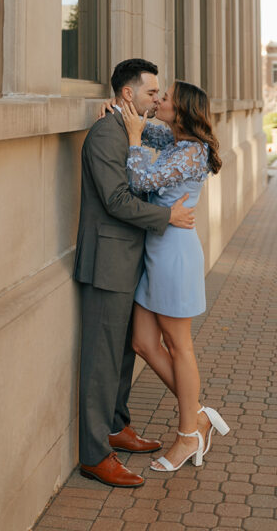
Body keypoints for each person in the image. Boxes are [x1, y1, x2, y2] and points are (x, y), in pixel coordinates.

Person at [74, 59, 196, 489]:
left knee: (125, 353)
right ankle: (94, 454)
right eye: (151, 93)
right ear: (128, 94)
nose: (158, 99)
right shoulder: (105, 134)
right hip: (107, 264)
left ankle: (116, 426)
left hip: (133, 262)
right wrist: (168, 217)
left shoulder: (137, 130)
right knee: (101, 363)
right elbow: (117, 200)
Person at [121, 80, 230, 473]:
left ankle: (188, 435)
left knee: (179, 345)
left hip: (173, 256)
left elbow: (139, 182)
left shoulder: (191, 152)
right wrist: (120, 109)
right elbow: (140, 124)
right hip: (156, 251)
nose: (158, 100)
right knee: (144, 342)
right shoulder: (174, 141)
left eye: (163, 97)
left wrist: (134, 142)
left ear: (180, 111)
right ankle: (199, 414)